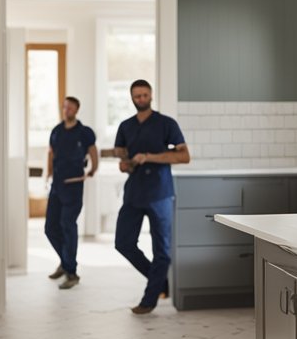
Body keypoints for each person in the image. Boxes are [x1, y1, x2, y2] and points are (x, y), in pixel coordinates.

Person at [113, 79, 190, 314]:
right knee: (123, 243)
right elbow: (121, 161)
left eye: (145, 95)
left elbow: (184, 156)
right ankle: (161, 283)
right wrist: (127, 165)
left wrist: (150, 157)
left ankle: (149, 299)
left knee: (162, 249)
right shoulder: (125, 126)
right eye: (137, 96)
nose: (141, 100)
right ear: (131, 98)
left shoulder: (166, 124)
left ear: (151, 95)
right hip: (134, 192)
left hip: (160, 193)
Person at [45, 96, 98, 289]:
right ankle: (65, 262)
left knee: (67, 224)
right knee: (50, 228)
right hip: (57, 186)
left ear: (77, 109)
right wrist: (48, 174)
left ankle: (72, 272)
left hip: (74, 186)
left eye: (70, 108)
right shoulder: (56, 131)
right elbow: (51, 153)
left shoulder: (84, 132)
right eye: (64, 107)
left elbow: (93, 151)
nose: (66, 110)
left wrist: (93, 169)